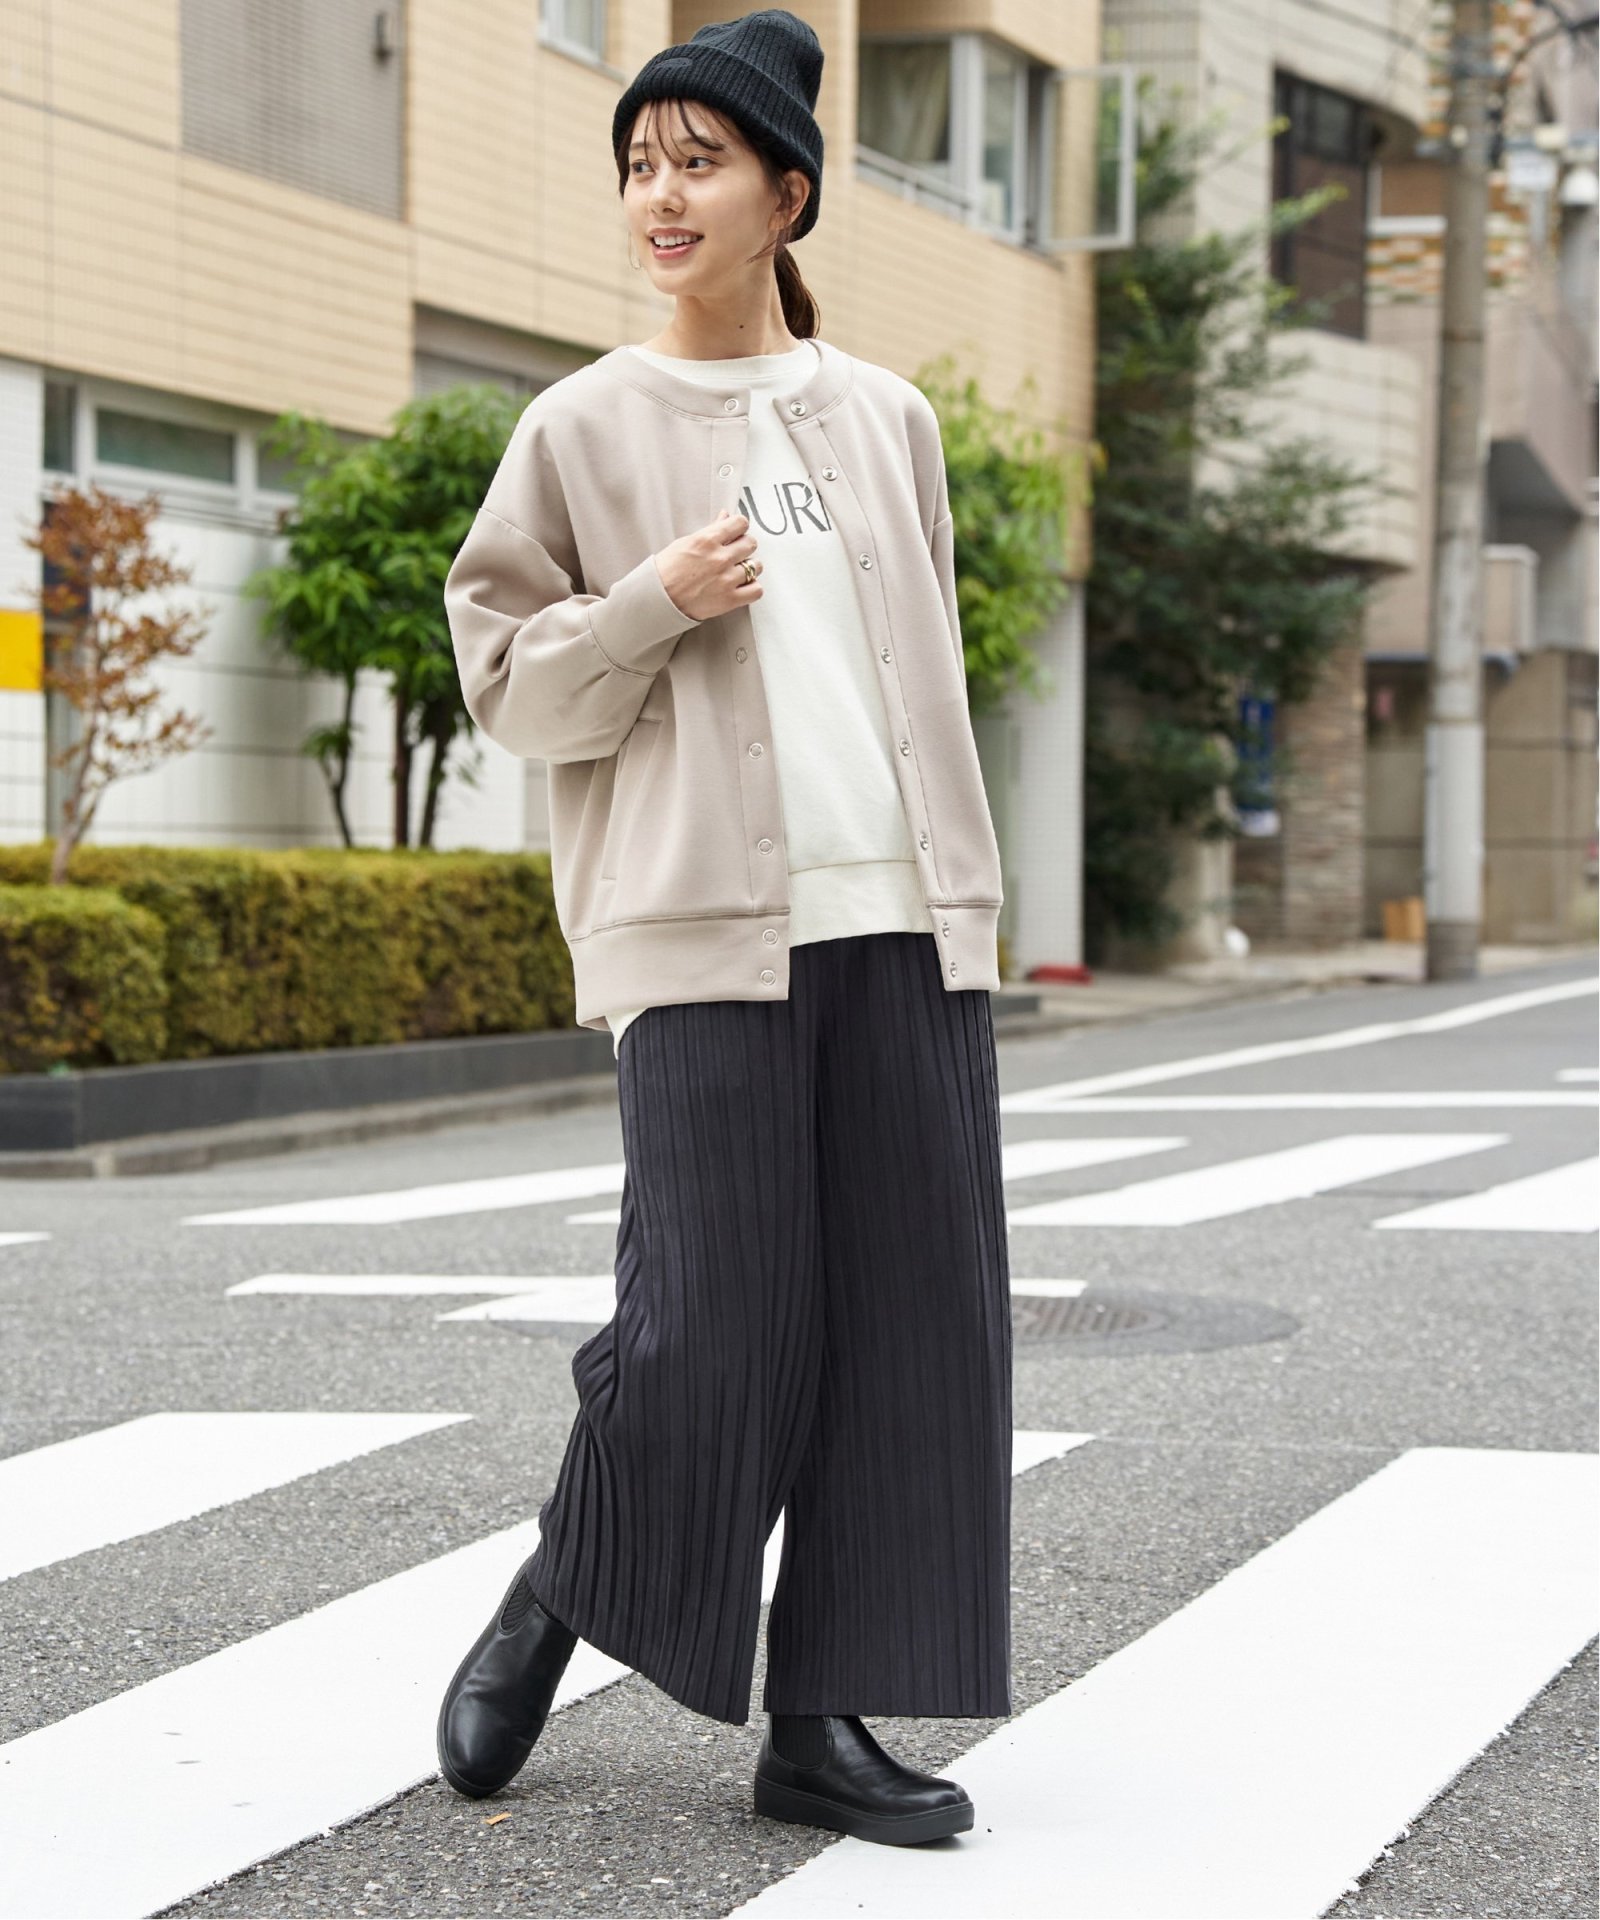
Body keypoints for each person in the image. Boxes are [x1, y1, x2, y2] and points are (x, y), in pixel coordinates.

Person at [435, 7, 1013, 1849]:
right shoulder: (580, 426)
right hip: (698, 933)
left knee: (907, 1329)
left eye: (699, 162)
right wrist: (648, 605)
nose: (660, 195)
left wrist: (967, 898)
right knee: (706, 1320)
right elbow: (511, 691)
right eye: (639, 164)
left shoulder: (891, 420)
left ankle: (820, 1725)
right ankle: (565, 1579)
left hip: (902, 929)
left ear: (789, 194)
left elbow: (922, 675)